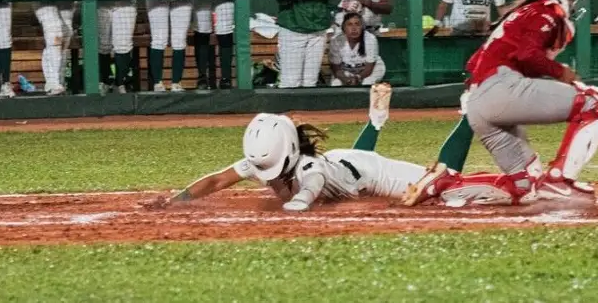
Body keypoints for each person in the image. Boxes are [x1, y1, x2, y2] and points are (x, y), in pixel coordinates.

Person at [402, 0, 598, 207]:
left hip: (479, 103)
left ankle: (444, 185)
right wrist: (562, 73)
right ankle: (559, 179)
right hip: (500, 88)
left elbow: (474, 64)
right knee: (596, 103)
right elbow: (528, 55)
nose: (572, 2)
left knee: (526, 187)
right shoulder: (543, 12)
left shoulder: (520, 14)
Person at [141, 83, 429, 212]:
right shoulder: (266, 155)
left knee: (434, 187)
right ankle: (375, 120)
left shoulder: (310, 169)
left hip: (370, 174)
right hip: (342, 164)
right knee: (353, 162)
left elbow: (307, 195)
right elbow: (217, 180)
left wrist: (295, 207)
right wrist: (176, 201)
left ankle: (379, 120)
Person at [329, 12, 385, 86]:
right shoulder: (336, 41)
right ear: (343, 28)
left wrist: (358, 78)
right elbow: (336, 69)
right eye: (349, 24)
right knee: (336, 83)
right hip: (346, 71)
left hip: (372, 70)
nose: (354, 28)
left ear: (362, 27)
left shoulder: (370, 39)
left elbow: (369, 68)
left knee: (366, 82)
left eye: (357, 24)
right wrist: (346, 80)